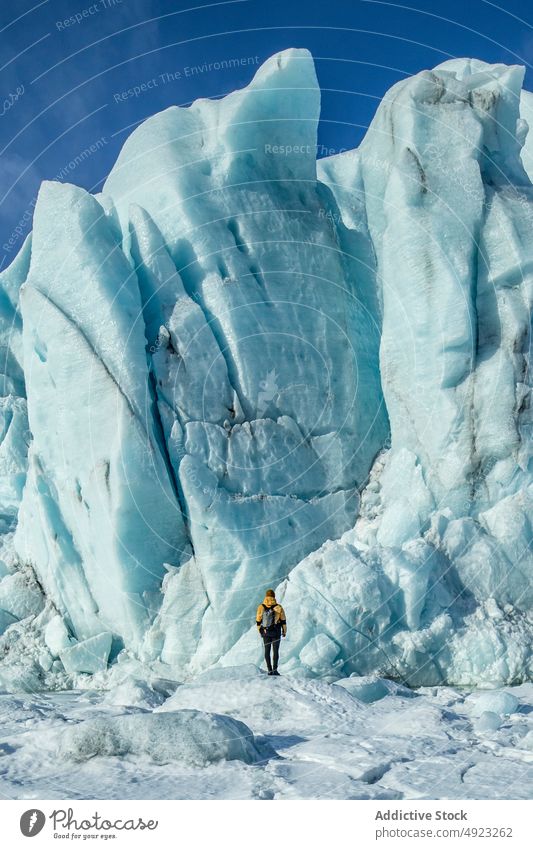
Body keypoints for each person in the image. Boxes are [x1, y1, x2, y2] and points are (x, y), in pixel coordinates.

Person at [256, 588, 286, 676]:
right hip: (276, 632)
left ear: (266, 596)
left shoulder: (261, 607)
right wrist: (284, 631)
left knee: (267, 651)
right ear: (274, 596)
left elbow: (258, 620)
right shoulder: (278, 607)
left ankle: (269, 670)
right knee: (275, 651)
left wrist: (260, 631)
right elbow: (283, 620)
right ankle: (275, 670)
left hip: (266, 633)